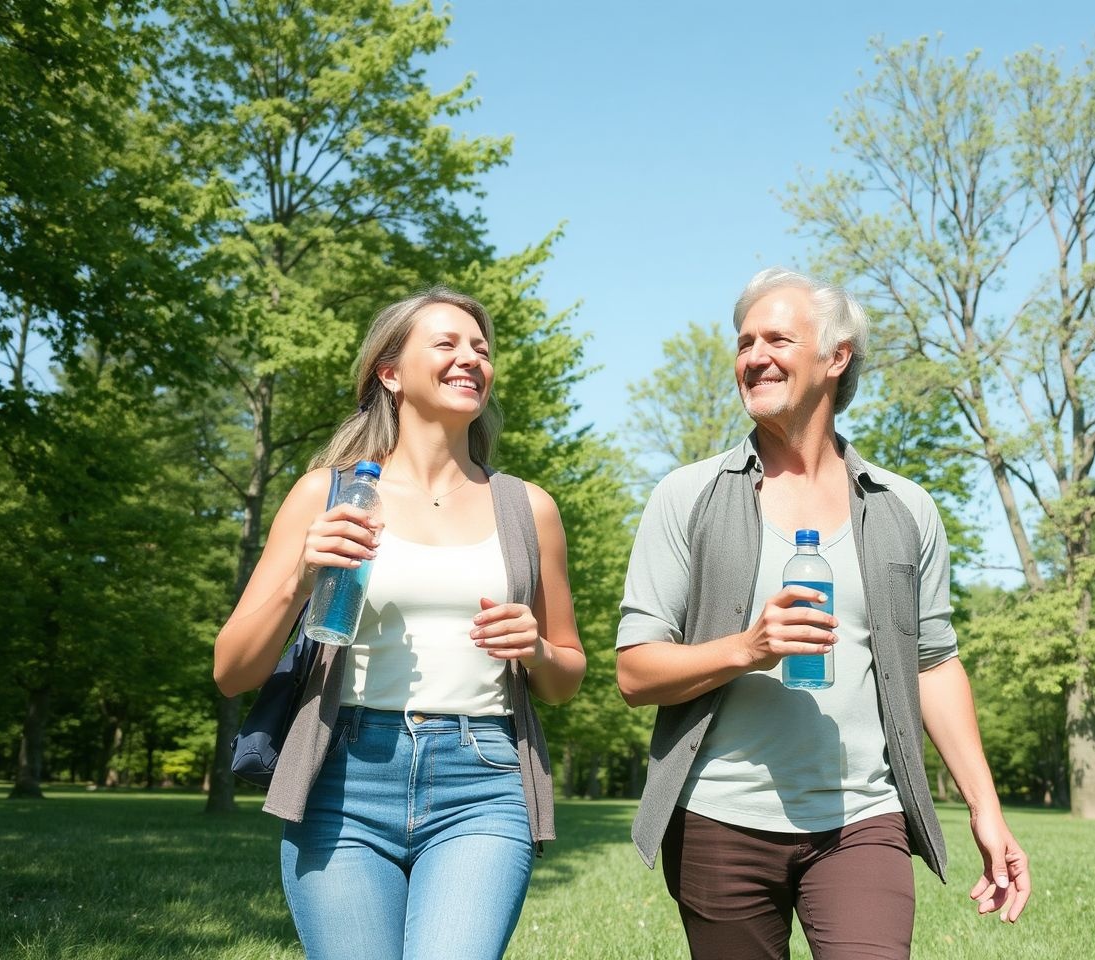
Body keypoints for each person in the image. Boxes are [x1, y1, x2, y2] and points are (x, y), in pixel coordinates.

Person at [616, 268, 1030, 959]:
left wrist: (986, 809)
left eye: (777, 337)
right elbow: (635, 673)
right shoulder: (685, 497)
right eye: (744, 341)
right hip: (719, 819)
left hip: (863, 821)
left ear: (836, 357)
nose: (754, 356)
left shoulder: (905, 509)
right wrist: (746, 649)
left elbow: (934, 663)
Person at [214, 286, 585, 960]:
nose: (470, 357)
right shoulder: (323, 495)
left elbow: (565, 679)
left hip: (483, 780)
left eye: (481, 347)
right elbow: (232, 671)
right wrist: (301, 575)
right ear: (390, 373)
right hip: (343, 778)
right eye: (446, 343)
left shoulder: (529, 509)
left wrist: (535, 649)